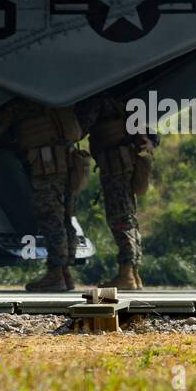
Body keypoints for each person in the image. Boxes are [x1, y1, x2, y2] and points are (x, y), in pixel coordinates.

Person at [0, 99, 85, 292]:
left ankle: (56, 274)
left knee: (51, 219)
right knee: (65, 219)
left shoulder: (23, 105)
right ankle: (65, 274)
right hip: (71, 166)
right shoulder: (61, 103)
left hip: (47, 168)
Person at [77, 94, 153, 290]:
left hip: (115, 166)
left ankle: (126, 274)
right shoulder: (127, 103)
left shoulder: (100, 100)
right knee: (128, 218)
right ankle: (133, 273)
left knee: (120, 219)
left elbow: (79, 129)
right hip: (127, 164)